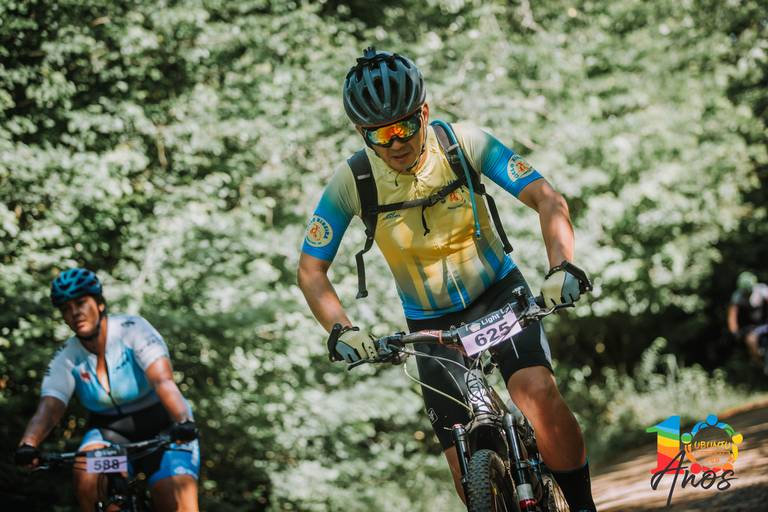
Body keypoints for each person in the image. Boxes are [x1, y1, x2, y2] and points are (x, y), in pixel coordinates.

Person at [297, 48, 597, 510]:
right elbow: (311, 269)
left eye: (405, 126)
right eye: (381, 134)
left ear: (424, 113)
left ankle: (582, 505)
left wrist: (561, 267)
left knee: (535, 393)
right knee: (462, 460)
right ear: (362, 133)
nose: (396, 142)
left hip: (498, 294)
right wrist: (342, 328)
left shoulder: (463, 143)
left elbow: (547, 198)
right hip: (430, 323)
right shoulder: (353, 180)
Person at [15, 268, 200, 511]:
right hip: (110, 433)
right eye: (66, 308)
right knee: (89, 480)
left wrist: (183, 421)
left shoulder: (133, 330)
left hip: (164, 427)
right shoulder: (67, 356)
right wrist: (28, 444)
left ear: (99, 303)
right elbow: (49, 408)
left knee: (174, 499)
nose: (75, 312)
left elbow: (163, 381)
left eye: (81, 303)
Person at [727, 271, 768, 372]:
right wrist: (734, 332)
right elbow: (732, 316)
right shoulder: (737, 296)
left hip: (765, 323)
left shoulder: (761, 290)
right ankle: (761, 366)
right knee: (751, 340)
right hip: (750, 327)